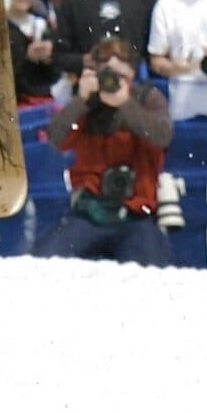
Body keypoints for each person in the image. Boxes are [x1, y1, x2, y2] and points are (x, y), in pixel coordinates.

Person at [36, 36, 174, 265]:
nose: (113, 82)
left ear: (131, 74)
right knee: (46, 262)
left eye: (120, 76)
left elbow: (161, 137)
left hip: (135, 213)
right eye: (108, 75)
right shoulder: (87, 102)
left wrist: (125, 104)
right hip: (90, 212)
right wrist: (80, 100)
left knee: (151, 273)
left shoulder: (147, 98)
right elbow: (55, 140)